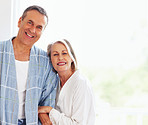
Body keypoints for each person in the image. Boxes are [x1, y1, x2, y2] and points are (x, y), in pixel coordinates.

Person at [0, 5, 58, 125]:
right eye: (30, 23)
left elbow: (47, 99)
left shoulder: (45, 62)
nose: (32, 30)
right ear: (19, 21)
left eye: (39, 27)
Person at [38, 39, 96, 125]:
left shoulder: (80, 83)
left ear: (72, 57)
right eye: (55, 54)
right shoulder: (54, 83)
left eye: (64, 53)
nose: (60, 58)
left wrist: (50, 111)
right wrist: (42, 113)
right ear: (51, 60)